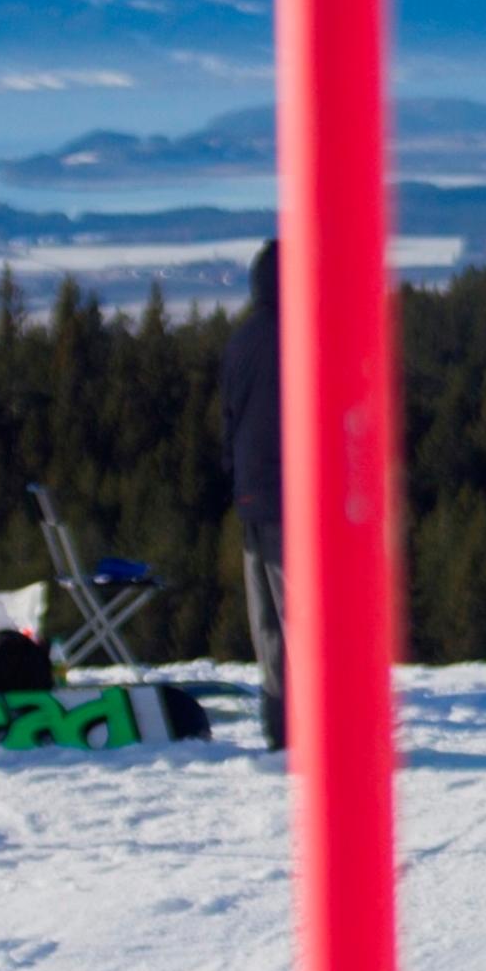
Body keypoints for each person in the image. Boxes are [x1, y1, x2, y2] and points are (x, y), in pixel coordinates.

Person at [220, 238, 287, 750]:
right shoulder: (307, 336)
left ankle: (279, 726)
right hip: (296, 499)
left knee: (268, 622)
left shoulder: (242, 341)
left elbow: (230, 421)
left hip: (252, 497)